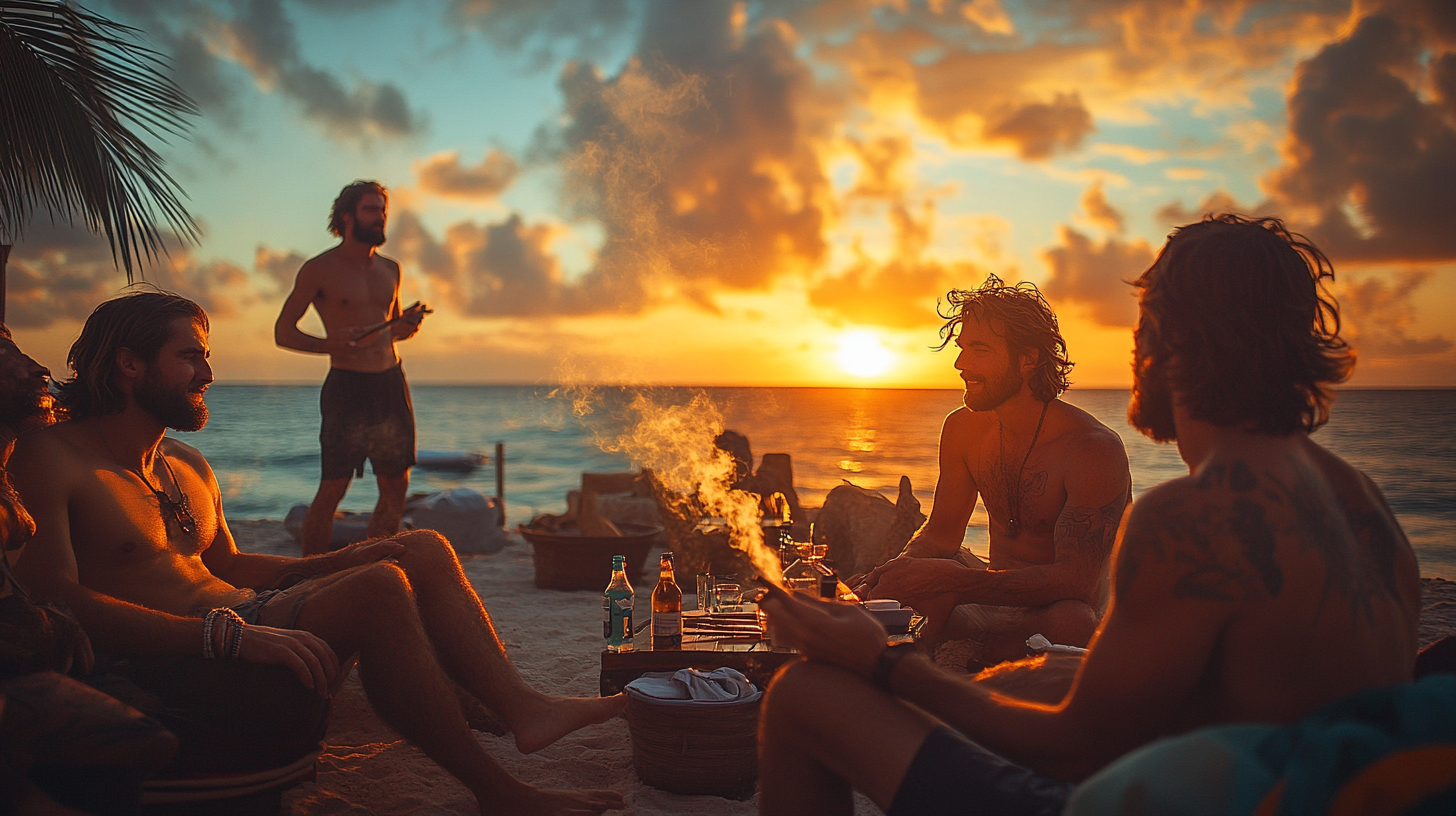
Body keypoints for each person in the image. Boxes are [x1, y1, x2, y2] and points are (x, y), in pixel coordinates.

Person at [757, 214, 1422, 816]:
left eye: (1144, 326)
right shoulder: (1366, 507)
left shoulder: (1191, 519)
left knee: (801, 696)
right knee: (1045, 672)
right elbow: (1256, 703)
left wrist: (885, 665)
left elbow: (1071, 750)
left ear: (1171, 341)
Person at [12, 293, 626, 816]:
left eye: (207, 355)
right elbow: (56, 601)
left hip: (249, 617)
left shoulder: (184, 464)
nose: (208, 373)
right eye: (190, 356)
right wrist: (225, 638)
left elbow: (226, 566)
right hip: (175, 652)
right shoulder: (53, 460)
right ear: (129, 365)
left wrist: (342, 561)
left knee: (422, 548)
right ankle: (499, 793)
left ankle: (525, 708)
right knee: (381, 588)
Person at [855, 275, 1132, 663]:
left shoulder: (1091, 449)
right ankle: (913, 678)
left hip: (1062, 609)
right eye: (962, 348)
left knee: (1073, 620)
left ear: (1028, 359)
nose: (960, 363)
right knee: (894, 598)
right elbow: (940, 535)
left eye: (979, 350)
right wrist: (888, 575)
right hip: (986, 595)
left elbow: (1078, 582)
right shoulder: (962, 428)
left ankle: (964, 669)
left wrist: (953, 582)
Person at [0, 326, 178, 815]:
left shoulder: (16, 460)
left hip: (42, 662)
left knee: (148, 736)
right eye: (4, 356)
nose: (38, 369)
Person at [275, 180, 428, 555]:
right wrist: (328, 345)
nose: (380, 218)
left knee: (395, 485)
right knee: (333, 486)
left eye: (383, 210)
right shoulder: (319, 269)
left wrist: (406, 327)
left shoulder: (392, 269)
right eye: (371, 210)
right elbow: (283, 332)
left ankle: (373, 568)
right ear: (347, 217)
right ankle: (310, 575)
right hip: (347, 386)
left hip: (390, 383)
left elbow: (390, 330)